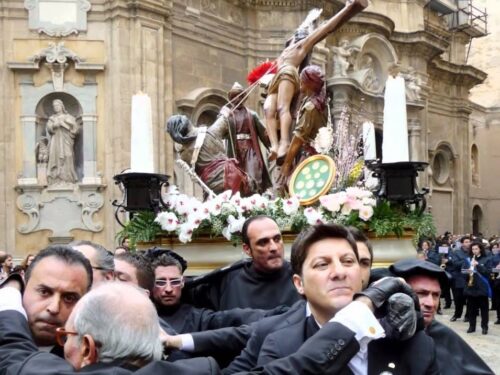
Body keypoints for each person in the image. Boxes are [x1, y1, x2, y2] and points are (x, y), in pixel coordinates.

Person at [256, 223, 438, 373]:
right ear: (299, 283)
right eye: (322, 264)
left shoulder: (415, 344)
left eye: (348, 261)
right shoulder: (281, 348)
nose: (339, 272)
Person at [0, 279, 219, 374]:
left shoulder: (33, 371)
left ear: (87, 348)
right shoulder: (203, 370)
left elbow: (12, 347)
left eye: (66, 336)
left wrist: (11, 287)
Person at [264, 0, 368, 164]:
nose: (296, 34)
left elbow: (326, 29)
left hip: (287, 73)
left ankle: (284, 143)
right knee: (268, 108)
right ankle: (274, 146)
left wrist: (350, 8)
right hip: (276, 79)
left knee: (282, 107)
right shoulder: (284, 52)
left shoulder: (301, 47)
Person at [390, 258, 494, 375]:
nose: (431, 303)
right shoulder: (373, 334)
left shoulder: (443, 336)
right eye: (421, 294)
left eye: (435, 295)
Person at [185, 215, 300, 310]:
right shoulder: (227, 281)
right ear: (247, 249)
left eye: (277, 239)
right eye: (263, 242)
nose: (274, 247)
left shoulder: (301, 276)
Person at [152, 254, 279, 335]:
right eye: (161, 282)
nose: (168, 289)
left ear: (182, 283)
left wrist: (279, 314)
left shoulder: (197, 318)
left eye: (174, 282)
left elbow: (234, 317)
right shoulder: (138, 314)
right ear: (150, 284)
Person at [18, 246, 92, 350]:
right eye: (44, 292)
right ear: (23, 288)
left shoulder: (91, 359)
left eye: (69, 298)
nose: (54, 308)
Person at [166, 114, 253, 195]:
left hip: (213, 187)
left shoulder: (184, 154)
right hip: (233, 177)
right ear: (189, 124)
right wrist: (224, 112)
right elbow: (227, 117)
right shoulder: (211, 132)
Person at [220, 82, 272, 193]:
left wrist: (271, 147)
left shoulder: (252, 115)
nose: (236, 99)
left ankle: (256, 198)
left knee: (253, 176)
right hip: (235, 151)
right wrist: (221, 117)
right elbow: (220, 133)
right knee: (237, 180)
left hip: (250, 149)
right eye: (233, 97)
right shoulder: (227, 116)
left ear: (243, 98)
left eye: (239, 96)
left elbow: (263, 133)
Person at [279, 65, 328, 180]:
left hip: (310, 156)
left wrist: (286, 164)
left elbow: (298, 138)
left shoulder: (311, 107)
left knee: (292, 183)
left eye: (302, 78)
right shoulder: (317, 101)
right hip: (314, 154)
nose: (300, 80)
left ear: (309, 83)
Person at [46, 99, 79, 185]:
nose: (56, 107)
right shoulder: (52, 118)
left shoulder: (69, 117)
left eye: (57, 105)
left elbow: (75, 129)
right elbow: (49, 129)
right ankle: (56, 178)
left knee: (68, 155)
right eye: (54, 106)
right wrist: (54, 125)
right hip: (55, 141)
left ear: (62, 106)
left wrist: (67, 125)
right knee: (55, 157)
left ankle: (68, 178)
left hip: (66, 140)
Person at [463, 241, 491, 334]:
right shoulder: (468, 259)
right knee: (471, 309)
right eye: (473, 249)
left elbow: (488, 272)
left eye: (476, 249)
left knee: (484, 309)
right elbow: (463, 272)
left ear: (480, 249)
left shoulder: (486, 259)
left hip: (481, 287)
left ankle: (484, 327)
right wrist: (468, 271)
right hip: (471, 287)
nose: (474, 251)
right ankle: (472, 326)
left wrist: (478, 265)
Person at [448, 235, 471, 321]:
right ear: (462, 243)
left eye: (469, 242)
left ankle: (468, 316)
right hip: (459, 278)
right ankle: (457, 314)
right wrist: (466, 260)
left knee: (469, 298)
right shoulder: (456, 252)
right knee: (458, 298)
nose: (468, 244)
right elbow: (455, 264)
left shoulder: (472, 252)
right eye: (466, 242)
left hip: (470, 278)